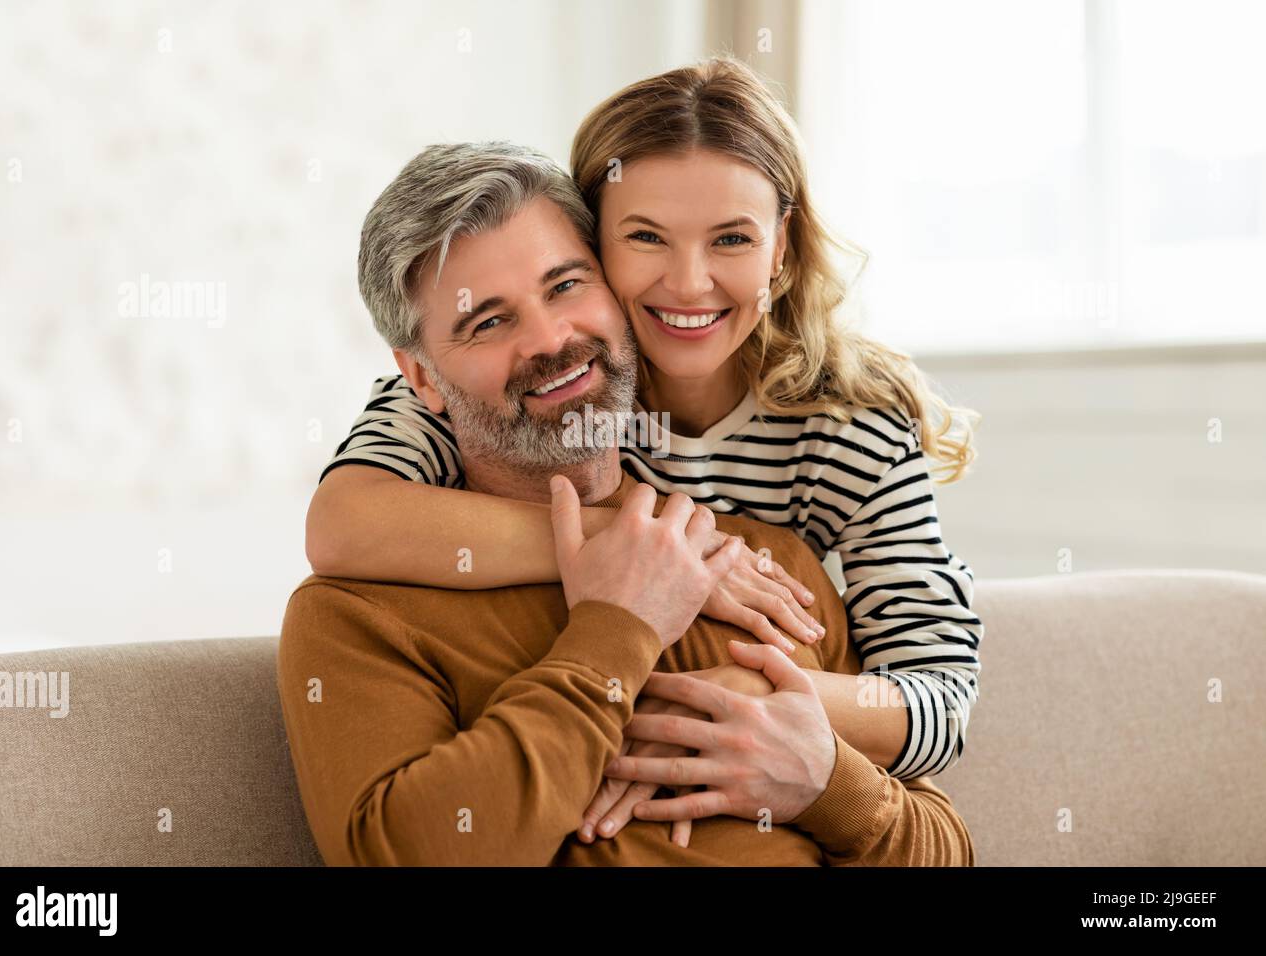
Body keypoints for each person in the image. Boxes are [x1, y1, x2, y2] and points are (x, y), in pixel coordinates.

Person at [306, 59, 984, 818]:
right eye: (647, 237)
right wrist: (651, 547)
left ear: (781, 248)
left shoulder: (845, 428)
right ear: (598, 243)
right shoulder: (561, 384)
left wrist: (747, 700)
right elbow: (342, 526)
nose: (690, 284)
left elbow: (942, 702)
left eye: (732, 238)